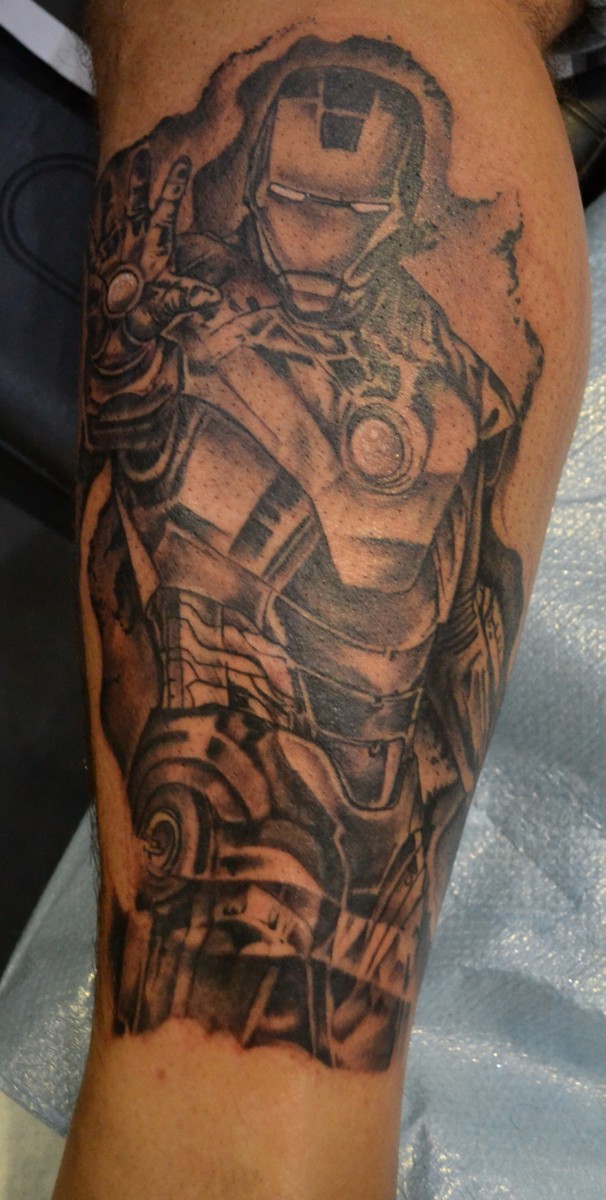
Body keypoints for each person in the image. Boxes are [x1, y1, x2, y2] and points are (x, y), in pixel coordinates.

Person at [54, 1, 590, 1197]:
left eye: (346, 211)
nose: (316, 235)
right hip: (221, 729)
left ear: (396, 221)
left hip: (365, 755)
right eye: (298, 200)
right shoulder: (203, 325)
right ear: (255, 190)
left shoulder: (438, 383)